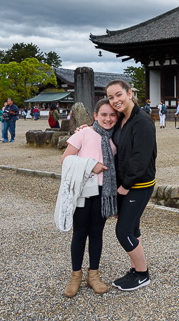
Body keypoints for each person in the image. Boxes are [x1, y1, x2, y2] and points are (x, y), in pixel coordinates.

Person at [59, 98, 118, 298]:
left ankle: (94, 274)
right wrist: (90, 165)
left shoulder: (114, 138)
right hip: (83, 191)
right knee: (80, 232)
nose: (108, 119)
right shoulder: (84, 133)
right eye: (104, 115)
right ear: (95, 116)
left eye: (112, 115)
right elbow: (65, 159)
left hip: (103, 192)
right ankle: (76, 275)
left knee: (96, 233)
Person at [106, 79, 157, 292]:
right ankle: (136, 269)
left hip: (139, 184)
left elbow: (140, 157)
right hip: (125, 184)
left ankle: (143, 273)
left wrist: (126, 185)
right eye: (110, 97)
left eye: (118, 94)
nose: (115, 100)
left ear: (129, 93)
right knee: (133, 228)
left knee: (123, 230)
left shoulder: (142, 121)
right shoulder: (121, 120)